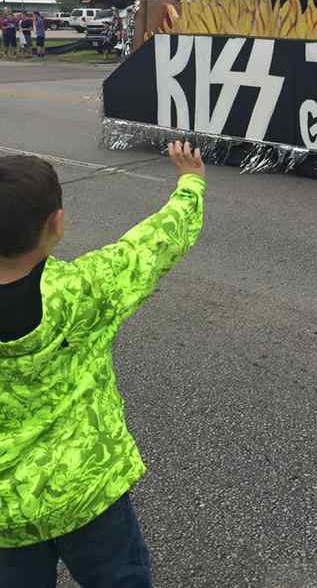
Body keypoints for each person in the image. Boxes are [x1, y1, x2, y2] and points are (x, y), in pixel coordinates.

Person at [0, 141, 206, 587]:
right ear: (55, 223)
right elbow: (153, 244)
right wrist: (190, 182)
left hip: (5, 514)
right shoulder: (82, 291)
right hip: (86, 491)